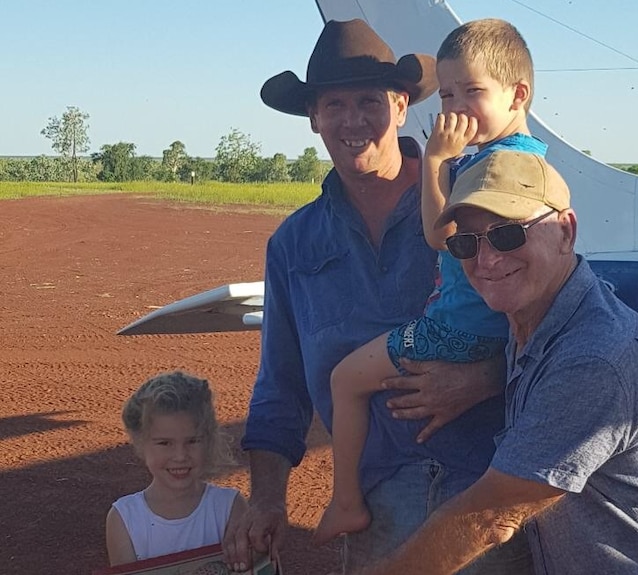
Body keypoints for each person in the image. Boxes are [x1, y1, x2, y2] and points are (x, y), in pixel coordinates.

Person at [353, 150, 638, 575]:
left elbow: (490, 518)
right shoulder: (539, 317)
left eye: (507, 234)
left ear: (565, 231)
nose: (486, 260)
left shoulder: (594, 357)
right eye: (465, 242)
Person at [222, 19, 532, 574]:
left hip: (484, 491)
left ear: (399, 107)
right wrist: (268, 497)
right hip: (376, 503)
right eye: (334, 104)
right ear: (314, 118)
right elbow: (279, 384)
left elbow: (553, 328)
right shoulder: (293, 244)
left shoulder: (475, 204)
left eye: (369, 100)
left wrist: (481, 379)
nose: (352, 119)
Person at [313, 18, 545, 547]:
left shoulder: (492, 169)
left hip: (452, 332)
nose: (457, 107)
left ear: (519, 95)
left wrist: (438, 159)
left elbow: (441, 237)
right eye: (446, 94)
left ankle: (345, 499)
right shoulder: (522, 161)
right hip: (486, 335)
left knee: (346, 378)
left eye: (472, 92)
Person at [105, 371, 248, 566]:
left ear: (209, 439)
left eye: (192, 441)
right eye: (164, 443)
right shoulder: (124, 518)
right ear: (139, 443)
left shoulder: (230, 507)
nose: (180, 456)